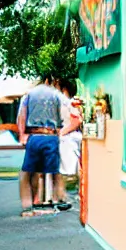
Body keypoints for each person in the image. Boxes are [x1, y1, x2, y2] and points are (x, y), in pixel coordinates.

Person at [16, 74, 80, 217]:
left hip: (34, 136)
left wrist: (22, 135)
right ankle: (59, 200)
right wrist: (61, 131)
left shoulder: (29, 94)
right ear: (50, 81)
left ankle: (30, 204)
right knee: (55, 171)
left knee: (29, 172)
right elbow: (73, 112)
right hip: (51, 136)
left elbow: (22, 115)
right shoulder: (56, 95)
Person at [57, 78, 83, 179]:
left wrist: (62, 132)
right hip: (69, 135)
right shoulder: (68, 102)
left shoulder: (70, 103)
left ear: (64, 89)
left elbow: (76, 122)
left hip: (70, 137)